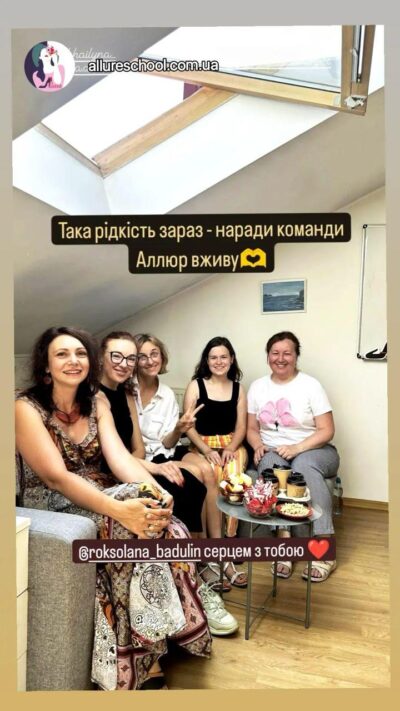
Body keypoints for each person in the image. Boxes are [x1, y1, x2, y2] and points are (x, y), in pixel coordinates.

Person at [15, 326, 212, 691]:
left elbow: (120, 458)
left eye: (80, 353)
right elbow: (56, 477)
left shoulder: (96, 402)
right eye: (62, 354)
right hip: (53, 503)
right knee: (125, 528)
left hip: (99, 488)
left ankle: (158, 634)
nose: (73, 360)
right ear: (45, 364)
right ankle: (139, 662)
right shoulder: (26, 408)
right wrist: (119, 511)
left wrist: (153, 491)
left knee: (163, 520)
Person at [246, 331, 339, 582]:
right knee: (274, 469)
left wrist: (298, 448)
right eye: (275, 353)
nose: (281, 358)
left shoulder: (311, 385)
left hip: (315, 450)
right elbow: (252, 428)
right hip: (273, 450)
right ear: (268, 356)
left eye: (287, 353)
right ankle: (285, 545)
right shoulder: (257, 387)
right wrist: (257, 445)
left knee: (303, 467)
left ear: (296, 356)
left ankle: (324, 547)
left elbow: (327, 430)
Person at [98, 331, 207, 535]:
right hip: (111, 471)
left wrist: (150, 467)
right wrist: (155, 468)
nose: (124, 364)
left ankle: (194, 548)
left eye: (130, 358)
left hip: (134, 463)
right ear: (101, 358)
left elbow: (138, 448)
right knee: (181, 491)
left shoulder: (126, 392)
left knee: (193, 486)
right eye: (116, 356)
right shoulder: (96, 397)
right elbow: (109, 459)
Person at [183, 337, 249, 589]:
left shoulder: (238, 388)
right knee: (210, 473)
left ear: (231, 359)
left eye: (223, 357)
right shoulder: (196, 385)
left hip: (232, 444)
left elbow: (241, 427)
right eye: (213, 357)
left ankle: (227, 549)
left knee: (233, 478)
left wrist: (230, 448)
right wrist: (206, 450)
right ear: (206, 361)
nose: (219, 361)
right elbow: (188, 426)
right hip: (202, 444)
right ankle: (210, 551)